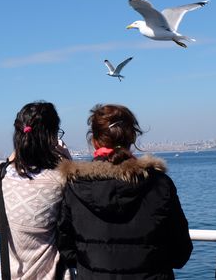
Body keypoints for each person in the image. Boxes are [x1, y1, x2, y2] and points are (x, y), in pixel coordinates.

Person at [58, 104, 192, 279]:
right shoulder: (159, 184)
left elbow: (66, 249)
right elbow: (180, 253)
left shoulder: (75, 187)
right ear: (132, 136)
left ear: (94, 141)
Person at [0, 101, 72, 279]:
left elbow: (9, 162)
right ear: (51, 138)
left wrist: (23, 147)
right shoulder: (59, 179)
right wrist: (67, 162)